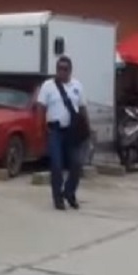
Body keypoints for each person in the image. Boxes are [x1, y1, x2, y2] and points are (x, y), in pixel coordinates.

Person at [36, 56, 88, 211]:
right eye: (59, 69)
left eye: (65, 69)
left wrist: (87, 130)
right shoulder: (48, 86)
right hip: (55, 132)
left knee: (76, 164)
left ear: (70, 70)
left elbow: (83, 109)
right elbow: (40, 108)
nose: (62, 72)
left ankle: (69, 192)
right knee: (57, 165)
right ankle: (57, 197)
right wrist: (40, 129)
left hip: (72, 132)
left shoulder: (77, 86)